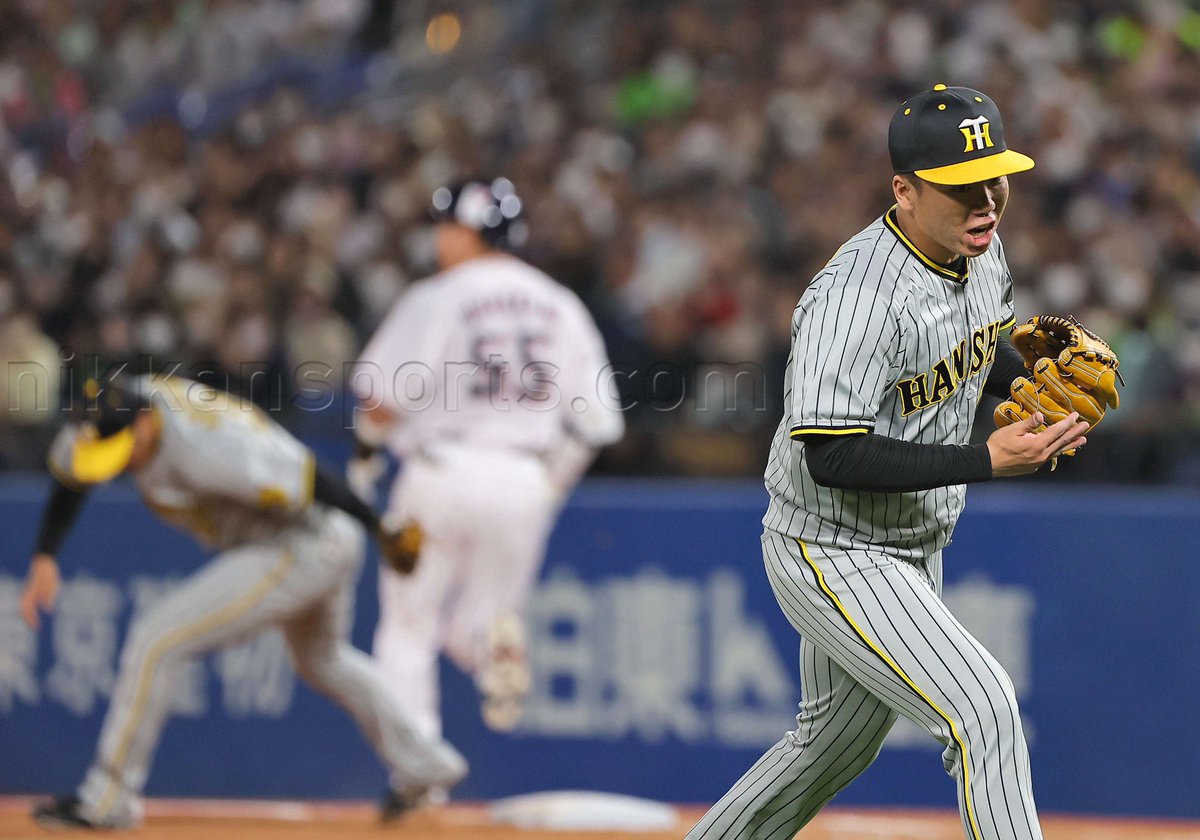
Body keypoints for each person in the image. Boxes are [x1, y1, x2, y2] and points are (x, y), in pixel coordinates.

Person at [686, 85, 1090, 840]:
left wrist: (1033, 387)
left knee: (830, 747)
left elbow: (977, 349)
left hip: (906, 541)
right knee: (983, 711)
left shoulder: (979, 248)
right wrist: (985, 460)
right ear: (904, 191)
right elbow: (831, 453)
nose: (986, 201)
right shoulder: (855, 297)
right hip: (830, 546)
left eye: (994, 178)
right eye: (961, 186)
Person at [20, 374, 467, 830]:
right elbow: (75, 473)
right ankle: (428, 765)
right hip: (295, 540)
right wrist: (45, 555)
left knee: (156, 640)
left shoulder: (210, 446)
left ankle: (107, 799)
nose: (112, 464)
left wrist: (378, 524)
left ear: (145, 422)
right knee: (324, 661)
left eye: (119, 448)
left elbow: (308, 474)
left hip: (305, 539)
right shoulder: (105, 412)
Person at [348, 176, 624, 750]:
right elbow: (599, 423)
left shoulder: (439, 295)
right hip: (523, 476)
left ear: (467, 231)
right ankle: (490, 640)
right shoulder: (560, 303)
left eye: (446, 226)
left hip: (440, 472)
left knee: (408, 626)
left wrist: (365, 457)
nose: (438, 238)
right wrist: (548, 485)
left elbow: (381, 399)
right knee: (481, 625)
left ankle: (419, 762)